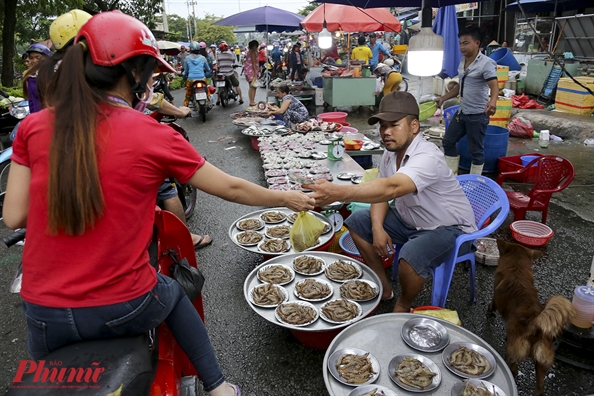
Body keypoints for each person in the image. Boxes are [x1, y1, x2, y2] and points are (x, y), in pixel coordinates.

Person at [3, 11, 314, 396]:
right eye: (150, 72)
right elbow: (231, 189)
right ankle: (217, 387)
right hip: (123, 304)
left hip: (43, 312)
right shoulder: (152, 133)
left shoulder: (31, 127)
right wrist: (288, 198)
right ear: (131, 73)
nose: (152, 80)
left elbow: (14, 214)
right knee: (170, 292)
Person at [303, 92, 477, 313]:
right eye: (383, 126)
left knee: (411, 255)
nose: (386, 132)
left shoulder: (427, 156)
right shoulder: (390, 152)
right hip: (411, 220)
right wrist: (377, 228)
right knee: (358, 221)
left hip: (447, 227)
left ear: (414, 126)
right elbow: (382, 193)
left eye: (394, 125)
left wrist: (338, 192)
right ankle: (384, 287)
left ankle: (404, 303)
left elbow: (392, 187)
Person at [434, 28, 498, 176]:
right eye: (460, 43)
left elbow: (494, 86)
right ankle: (452, 177)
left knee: (476, 151)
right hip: (462, 112)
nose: (462, 47)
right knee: (448, 141)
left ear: (477, 43)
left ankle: (476, 181)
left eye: (466, 43)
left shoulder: (486, 63)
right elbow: (461, 86)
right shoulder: (463, 60)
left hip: (478, 114)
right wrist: (443, 98)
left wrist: (493, 102)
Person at [22, 43, 51, 114]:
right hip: (36, 117)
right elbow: (31, 101)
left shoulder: (53, 75)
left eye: (38, 57)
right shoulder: (29, 77)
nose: (34, 61)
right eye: (31, 58)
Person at [183, 41, 211, 107]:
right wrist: (207, 71)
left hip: (191, 79)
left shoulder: (187, 58)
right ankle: (210, 101)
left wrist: (184, 76)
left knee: (188, 95)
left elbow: (186, 71)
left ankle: (185, 108)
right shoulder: (203, 58)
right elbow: (208, 69)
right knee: (207, 91)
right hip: (202, 78)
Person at [244, 40, 259, 106]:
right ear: (253, 46)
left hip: (248, 70)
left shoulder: (250, 52)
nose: (256, 47)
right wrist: (255, 72)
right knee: (253, 86)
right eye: (256, 46)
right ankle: (252, 101)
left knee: (251, 86)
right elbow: (253, 62)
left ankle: (251, 101)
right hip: (251, 71)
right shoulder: (253, 52)